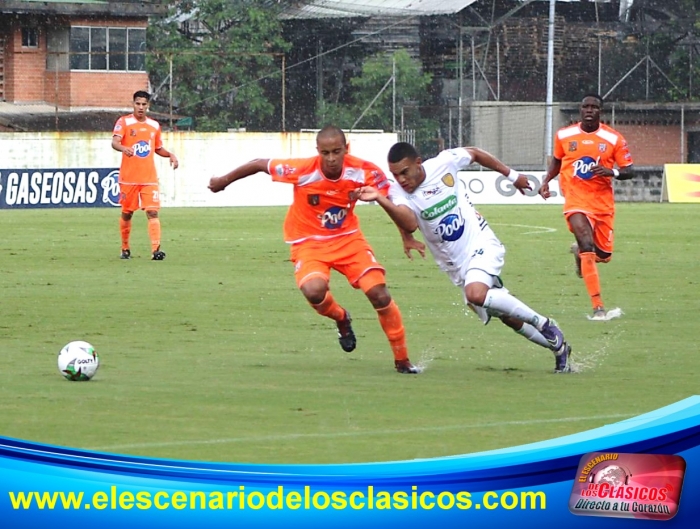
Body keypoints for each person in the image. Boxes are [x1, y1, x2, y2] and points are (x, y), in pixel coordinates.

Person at [208, 126, 419, 374]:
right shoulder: (302, 170)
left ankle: (402, 361)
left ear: (346, 149)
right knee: (314, 291)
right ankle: (341, 318)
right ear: (317, 151)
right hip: (308, 242)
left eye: (337, 152)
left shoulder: (365, 171)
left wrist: (406, 235)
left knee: (379, 294)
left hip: (348, 240)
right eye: (325, 153)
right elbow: (258, 164)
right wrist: (223, 182)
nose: (331, 159)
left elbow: (392, 202)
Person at [354, 142, 573, 373]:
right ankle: (559, 348)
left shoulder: (444, 163)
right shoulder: (398, 192)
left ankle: (545, 324)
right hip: (456, 266)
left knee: (475, 294)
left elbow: (475, 153)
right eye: (396, 175)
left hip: (481, 243)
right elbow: (409, 222)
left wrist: (512, 175)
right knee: (509, 317)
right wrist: (383, 201)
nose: (401, 179)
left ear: (418, 163)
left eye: (405, 172)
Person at [539, 94, 634, 321]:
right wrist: (546, 180)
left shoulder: (613, 138)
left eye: (594, 107)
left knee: (603, 255)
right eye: (585, 106)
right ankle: (598, 307)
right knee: (586, 242)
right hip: (575, 200)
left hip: (602, 204)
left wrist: (612, 172)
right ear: (580, 110)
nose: (589, 110)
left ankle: (579, 254)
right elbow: (557, 160)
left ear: (601, 111)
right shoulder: (564, 135)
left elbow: (629, 170)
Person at [111, 90, 179, 261]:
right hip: (129, 178)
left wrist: (170, 155)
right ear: (133, 104)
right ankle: (125, 248)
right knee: (127, 213)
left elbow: (157, 148)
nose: (140, 107)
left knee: (152, 212)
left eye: (144, 104)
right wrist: (124, 148)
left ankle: (156, 250)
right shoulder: (124, 122)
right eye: (138, 104)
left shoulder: (154, 126)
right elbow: (115, 142)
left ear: (148, 105)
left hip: (149, 178)